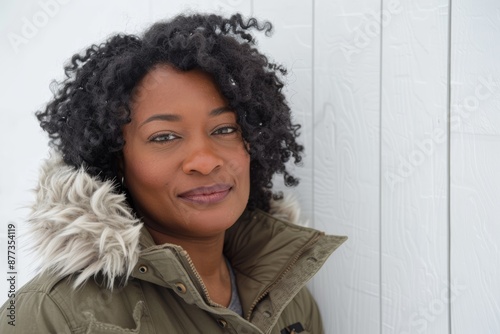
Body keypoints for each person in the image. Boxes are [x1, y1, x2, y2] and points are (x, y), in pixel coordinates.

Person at [0, 13, 346, 333]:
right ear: (116, 160)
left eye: (224, 129)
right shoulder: (51, 314)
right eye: (164, 137)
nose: (205, 161)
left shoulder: (288, 295)